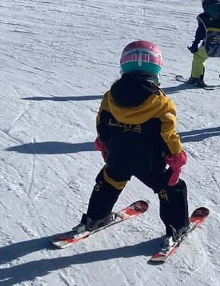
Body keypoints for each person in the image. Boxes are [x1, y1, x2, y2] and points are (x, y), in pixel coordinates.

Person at [69, 41, 192, 251]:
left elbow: (102, 120)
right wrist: (176, 156)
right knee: (171, 187)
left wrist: (104, 142)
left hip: (118, 154)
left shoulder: (111, 95)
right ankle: (177, 227)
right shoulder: (161, 101)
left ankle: (95, 218)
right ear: (156, 68)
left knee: (109, 181)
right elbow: (168, 131)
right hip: (149, 160)